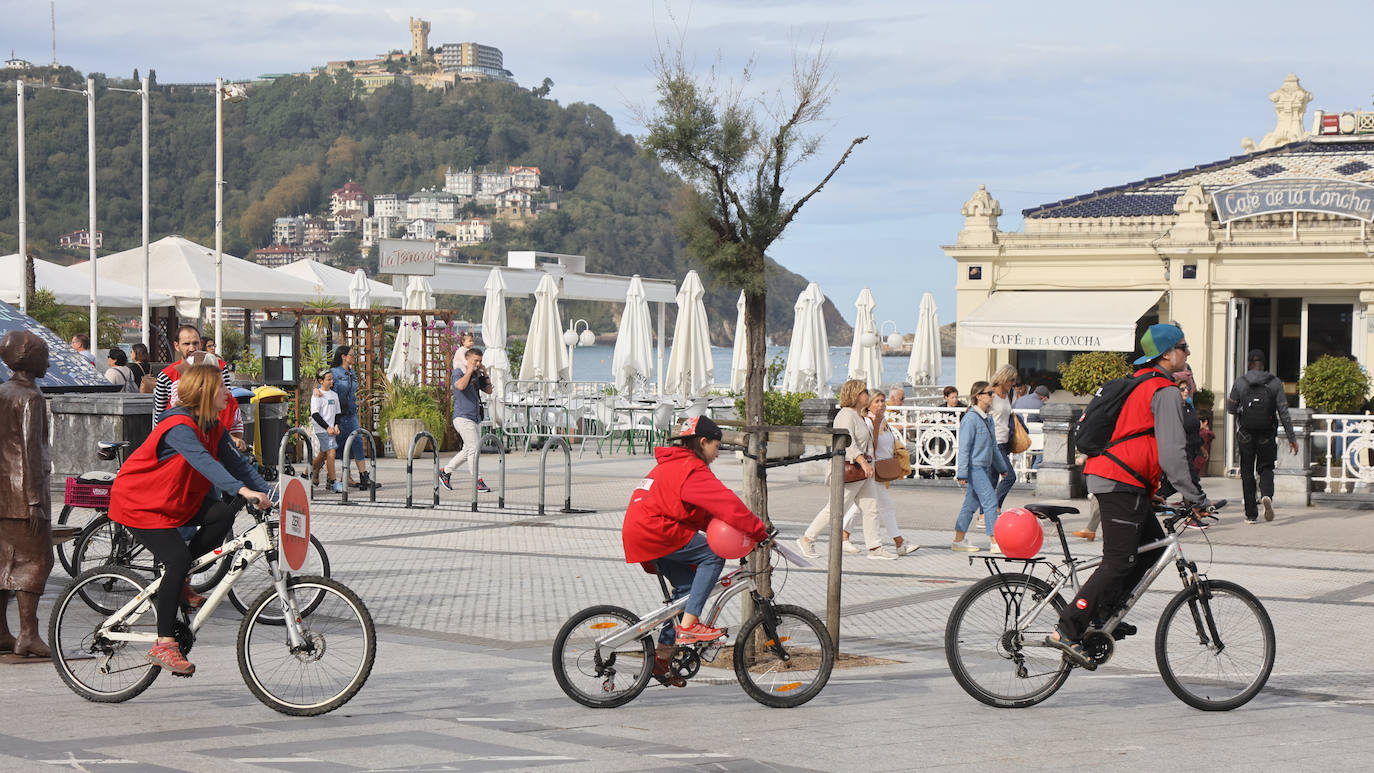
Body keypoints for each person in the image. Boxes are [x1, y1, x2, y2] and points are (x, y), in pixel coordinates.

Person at [1048, 324, 1209, 665]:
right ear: (1166, 354)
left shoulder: (1144, 384)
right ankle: (1069, 627)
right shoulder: (1162, 390)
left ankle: (1102, 615)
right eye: (1183, 346)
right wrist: (1196, 497)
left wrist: (1153, 492)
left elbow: (1138, 442)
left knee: (1150, 552)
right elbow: (1172, 453)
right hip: (1118, 481)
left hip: (1127, 482)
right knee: (1119, 560)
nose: (1188, 352)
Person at [107, 363, 274, 675]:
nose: (227, 392)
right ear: (205, 393)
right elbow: (205, 463)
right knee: (178, 559)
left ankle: (179, 581)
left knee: (224, 513)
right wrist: (242, 490)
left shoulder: (213, 426)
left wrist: (269, 493)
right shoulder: (179, 426)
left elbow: (237, 465)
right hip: (140, 503)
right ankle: (164, 644)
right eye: (222, 388)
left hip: (174, 501)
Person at [621, 415, 769, 686]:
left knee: (686, 594)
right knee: (713, 554)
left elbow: (702, 514)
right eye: (716, 446)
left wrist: (743, 530)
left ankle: (662, 659)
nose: (717, 454)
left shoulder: (676, 464)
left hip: (645, 529)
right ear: (703, 442)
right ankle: (689, 627)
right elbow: (726, 503)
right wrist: (758, 530)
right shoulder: (691, 468)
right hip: (655, 530)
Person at [0, 331, 54, 658]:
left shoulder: (2, 392)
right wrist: (34, 500)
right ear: (30, 359)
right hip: (24, 495)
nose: (48, 361)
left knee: (4, 561)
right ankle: (28, 634)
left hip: (2, 493)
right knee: (37, 561)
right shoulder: (31, 397)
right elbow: (30, 452)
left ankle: (2, 632)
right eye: (44, 355)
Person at [795, 380, 894, 560]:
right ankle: (807, 538)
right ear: (855, 394)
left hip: (863, 473)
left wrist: (870, 464)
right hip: (849, 471)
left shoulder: (859, 416)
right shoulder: (846, 415)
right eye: (864, 392)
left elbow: (867, 444)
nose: (867, 395)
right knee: (834, 508)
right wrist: (863, 461)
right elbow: (848, 442)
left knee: (871, 508)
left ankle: (874, 547)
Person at [838, 392, 919, 555]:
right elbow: (869, 446)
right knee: (885, 507)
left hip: (881, 468)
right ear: (869, 405)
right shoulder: (868, 422)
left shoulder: (883, 421)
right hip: (871, 469)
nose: (882, 404)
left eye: (883, 401)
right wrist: (875, 426)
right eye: (877, 401)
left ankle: (843, 537)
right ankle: (899, 543)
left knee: (860, 507)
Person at [1226, 349, 1296, 523]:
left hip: (1245, 433)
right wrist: (1292, 438)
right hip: (1267, 432)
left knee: (1247, 472)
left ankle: (1251, 514)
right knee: (1265, 467)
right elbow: (1284, 412)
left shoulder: (1240, 382)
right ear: (1264, 364)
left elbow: (1230, 408)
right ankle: (1266, 495)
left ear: (1249, 364)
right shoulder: (1274, 383)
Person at [952, 380, 1007, 552]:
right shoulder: (970, 419)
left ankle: (958, 541)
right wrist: (962, 473)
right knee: (990, 502)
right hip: (974, 468)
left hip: (984, 467)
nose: (993, 396)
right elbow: (964, 448)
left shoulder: (988, 419)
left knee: (970, 505)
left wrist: (1002, 468)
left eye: (993, 393)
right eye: (989, 393)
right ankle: (995, 542)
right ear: (978, 396)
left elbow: (993, 447)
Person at [440, 347, 494, 493]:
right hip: (463, 417)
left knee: (468, 450)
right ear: (467, 359)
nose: (477, 363)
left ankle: (445, 471)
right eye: (475, 360)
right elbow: (460, 386)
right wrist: (470, 370)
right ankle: (477, 480)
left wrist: (484, 373)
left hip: (475, 417)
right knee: (474, 449)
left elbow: (489, 390)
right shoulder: (459, 371)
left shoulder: (477, 373)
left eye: (480, 361)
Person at [153, 325, 232, 427]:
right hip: (179, 430)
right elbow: (159, 416)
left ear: (201, 344)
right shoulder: (166, 375)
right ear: (177, 346)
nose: (192, 348)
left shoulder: (220, 367)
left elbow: (228, 402)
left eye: (195, 343)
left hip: (216, 428)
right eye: (186, 344)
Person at [330, 346, 378, 490]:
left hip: (350, 414)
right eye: (351, 355)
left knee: (356, 442)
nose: (354, 357)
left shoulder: (352, 373)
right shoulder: (334, 373)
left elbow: (352, 392)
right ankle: (314, 476)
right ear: (343, 356)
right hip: (336, 415)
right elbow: (326, 390)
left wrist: (355, 401)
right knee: (330, 449)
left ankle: (363, 476)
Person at [988, 364, 1018, 511]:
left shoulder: (1009, 395)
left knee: (993, 479)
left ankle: (985, 514)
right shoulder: (990, 394)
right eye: (1011, 380)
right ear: (1004, 378)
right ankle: (995, 507)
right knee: (1009, 476)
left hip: (1004, 442)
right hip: (994, 442)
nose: (1013, 384)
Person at [309, 368, 344, 493]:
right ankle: (333, 482)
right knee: (331, 453)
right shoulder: (317, 395)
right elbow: (315, 414)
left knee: (322, 455)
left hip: (331, 430)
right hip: (322, 429)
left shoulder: (334, 395)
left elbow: (338, 413)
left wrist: (336, 425)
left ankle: (306, 474)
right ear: (321, 381)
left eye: (332, 379)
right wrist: (327, 427)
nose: (331, 382)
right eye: (328, 379)